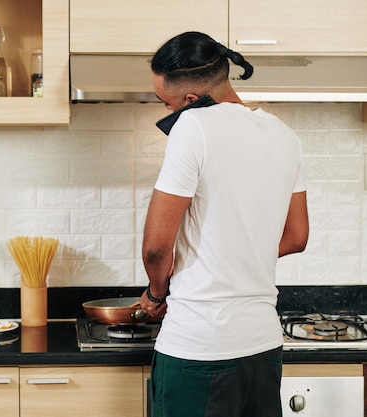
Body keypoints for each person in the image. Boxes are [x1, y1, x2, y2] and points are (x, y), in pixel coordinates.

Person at [138, 31, 309, 417]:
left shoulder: (193, 127)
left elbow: (156, 246)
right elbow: (296, 237)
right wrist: (236, 252)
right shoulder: (285, 136)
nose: (165, 111)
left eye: (165, 103)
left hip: (200, 347)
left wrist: (156, 292)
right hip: (263, 347)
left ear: (191, 101)